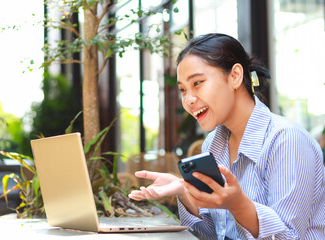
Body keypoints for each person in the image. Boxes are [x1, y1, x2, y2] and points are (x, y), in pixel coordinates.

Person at [128, 33, 325, 239]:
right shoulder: (213, 144)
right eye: (183, 89)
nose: (188, 100)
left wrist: (239, 205)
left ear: (235, 76)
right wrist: (184, 192)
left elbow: (290, 237)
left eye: (197, 83)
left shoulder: (286, 140)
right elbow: (214, 235)